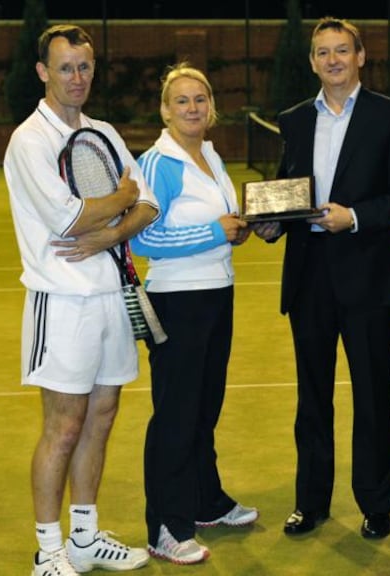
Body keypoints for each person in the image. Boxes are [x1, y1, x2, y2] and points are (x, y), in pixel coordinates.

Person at [252, 16, 390, 540]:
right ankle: (311, 502)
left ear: (360, 56)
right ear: (313, 61)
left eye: (342, 50)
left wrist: (357, 216)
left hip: (369, 278)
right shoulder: (295, 119)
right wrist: (272, 222)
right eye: (323, 53)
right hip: (309, 278)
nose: (333, 60)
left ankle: (375, 503)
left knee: (374, 396)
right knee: (312, 397)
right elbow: (286, 188)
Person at [2, 24, 157, 576]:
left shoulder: (103, 131)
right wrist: (120, 199)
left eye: (85, 66)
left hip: (111, 297)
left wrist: (114, 229)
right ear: (43, 72)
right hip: (61, 302)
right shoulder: (30, 140)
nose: (77, 77)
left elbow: (150, 205)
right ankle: (48, 551)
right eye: (65, 67)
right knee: (64, 426)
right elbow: (72, 215)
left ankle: (86, 538)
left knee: (103, 416)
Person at [129, 62, 258, 566]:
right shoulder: (158, 163)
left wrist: (236, 229)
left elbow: (218, 221)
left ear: (211, 107)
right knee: (176, 417)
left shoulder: (209, 153)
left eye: (199, 100)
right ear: (165, 109)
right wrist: (213, 233)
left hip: (215, 296)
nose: (191, 108)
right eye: (181, 101)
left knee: (204, 409)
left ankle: (207, 501)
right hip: (176, 302)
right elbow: (141, 239)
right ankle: (166, 525)